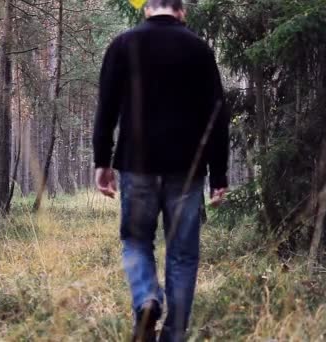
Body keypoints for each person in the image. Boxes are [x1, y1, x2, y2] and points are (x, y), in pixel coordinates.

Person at [92, 0, 230, 340]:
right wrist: (220, 175)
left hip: (137, 165)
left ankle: (146, 298)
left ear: (147, 8)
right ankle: (174, 333)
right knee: (182, 254)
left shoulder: (123, 45)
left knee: (136, 240)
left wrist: (102, 162)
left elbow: (106, 108)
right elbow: (217, 116)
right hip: (187, 168)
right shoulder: (199, 50)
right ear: (182, 10)